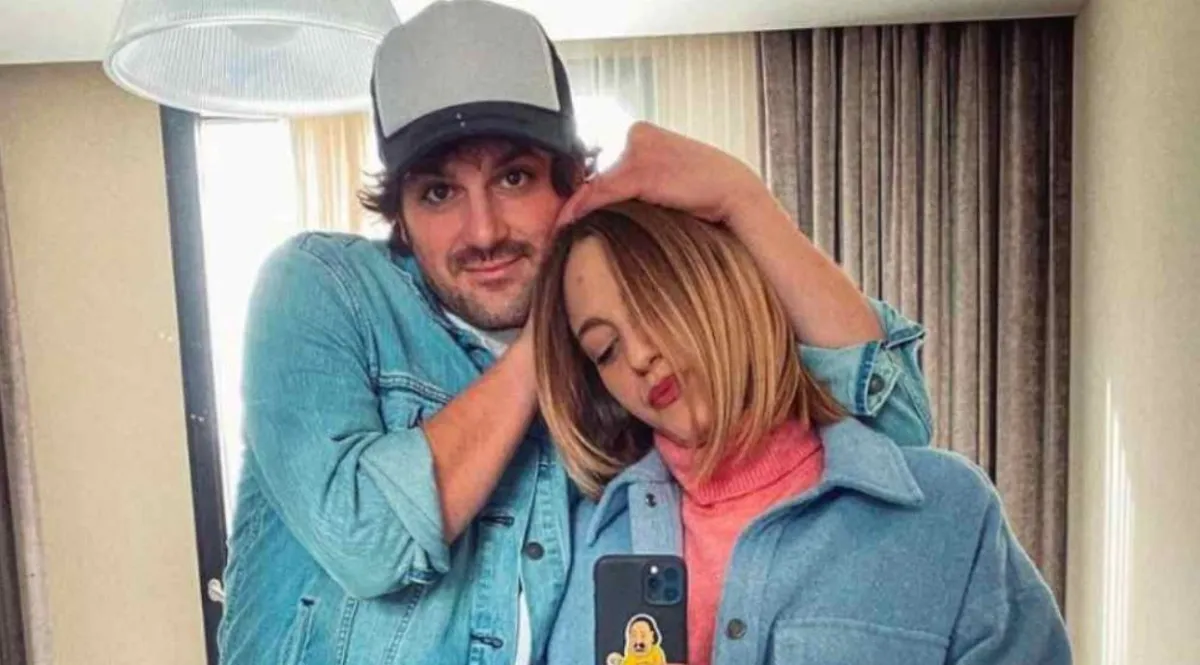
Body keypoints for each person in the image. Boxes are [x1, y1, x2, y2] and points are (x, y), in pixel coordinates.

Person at [216, 1, 934, 664]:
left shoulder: (629, 342)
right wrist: (551, 335)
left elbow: (891, 427)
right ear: (400, 216)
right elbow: (369, 538)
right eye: (438, 192)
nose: (483, 231)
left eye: (514, 179)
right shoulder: (322, 286)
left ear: (574, 182)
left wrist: (744, 199)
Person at [533, 201, 1072, 665]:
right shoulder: (585, 539)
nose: (639, 357)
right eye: (605, 350)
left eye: (653, 307)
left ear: (725, 283)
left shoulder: (948, 512)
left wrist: (736, 195)